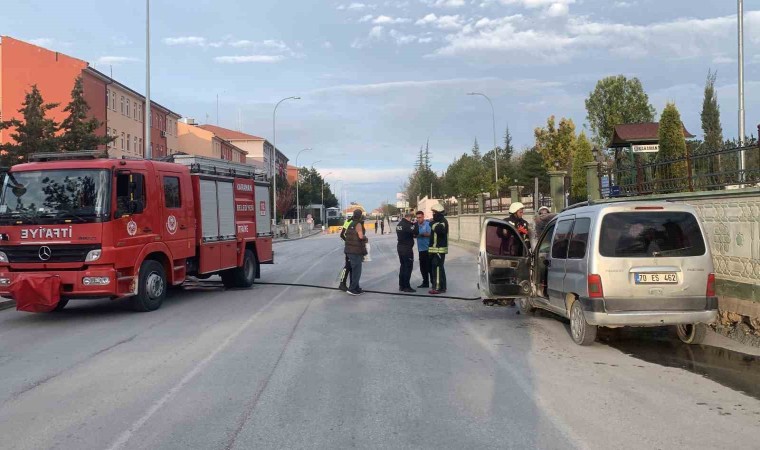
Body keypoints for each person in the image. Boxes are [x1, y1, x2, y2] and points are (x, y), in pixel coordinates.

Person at [343, 209, 368, 295]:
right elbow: (361, 236)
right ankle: (352, 288)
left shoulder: (351, 223)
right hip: (355, 251)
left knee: (354, 270)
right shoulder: (358, 224)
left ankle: (356, 287)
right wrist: (365, 238)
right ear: (360, 216)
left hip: (349, 250)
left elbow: (346, 235)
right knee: (357, 271)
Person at [428, 203, 448, 295]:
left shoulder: (442, 222)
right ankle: (442, 287)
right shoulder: (439, 221)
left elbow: (438, 230)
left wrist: (431, 223)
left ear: (439, 213)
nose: (433, 214)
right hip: (435, 250)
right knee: (439, 269)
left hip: (439, 250)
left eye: (434, 212)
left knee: (437, 270)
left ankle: (437, 288)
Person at [396, 211, 418, 293]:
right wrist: (415, 224)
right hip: (407, 249)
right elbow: (416, 232)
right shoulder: (407, 225)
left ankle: (401, 285)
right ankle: (406, 286)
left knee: (403, 266)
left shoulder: (399, 224)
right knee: (408, 267)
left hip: (400, 247)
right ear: (409, 217)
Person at [415, 210, 431, 288]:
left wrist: (422, 234)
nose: (419, 219)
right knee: (423, 268)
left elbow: (430, 234)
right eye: (417, 218)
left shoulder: (428, 224)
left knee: (430, 268)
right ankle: (425, 282)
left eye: (420, 217)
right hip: (421, 250)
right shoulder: (416, 225)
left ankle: (434, 283)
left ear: (423, 216)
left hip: (428, 249)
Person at [338, 215, 354, 291]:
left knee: (350, 266)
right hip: (350, 247)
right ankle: (342, 283)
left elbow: (342, 234)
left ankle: (351, 284)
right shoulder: (351, 222)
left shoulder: (348, 221)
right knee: (348, 266)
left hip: (350, 247)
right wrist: (348, 241)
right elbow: (342, 234)